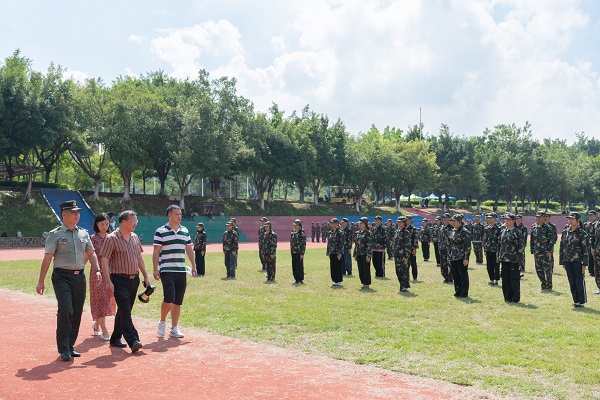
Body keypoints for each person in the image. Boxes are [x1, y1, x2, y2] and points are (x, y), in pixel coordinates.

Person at [36, 200, 100, 361]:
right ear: (63, 214)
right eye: (72, 212)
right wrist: (40, 281)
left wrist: (97, 269)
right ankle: (63, 347)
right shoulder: (55, 234)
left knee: (77, 311)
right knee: (66, 309)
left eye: (77, 212)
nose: (76, 215)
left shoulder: (83, 233)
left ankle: (71, 345)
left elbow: (91, 253)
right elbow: (48, 257)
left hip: (80, 277)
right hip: (61, 277)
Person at [100, 210, 149, 353]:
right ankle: (133, 340)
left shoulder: (134, 237)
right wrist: (108, 281)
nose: (136, 223)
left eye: (136, 221)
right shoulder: (112, 238)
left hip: (134, 279)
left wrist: (145, 276)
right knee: (126, 310)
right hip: (118, 279)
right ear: (124, 222)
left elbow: (139, 258)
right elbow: (104, 260)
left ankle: (115, 338)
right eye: (133, 221)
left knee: (124, 310)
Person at [153, 205, 197, 339]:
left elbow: (189, 249)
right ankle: (162, 322)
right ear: (169, 215)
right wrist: (156, 269)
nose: (179, 216)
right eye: (176, 214)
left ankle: (174, 328)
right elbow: (156, 251)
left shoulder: (185, 230)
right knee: (169, 298)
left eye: (180, 214)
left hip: (181, 270)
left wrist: (193, 265)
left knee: (178, 301)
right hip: (167, 270)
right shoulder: (160, 231)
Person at [89, 213, 116, 341]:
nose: (104, 227)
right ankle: (105, 331)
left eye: (106, 224)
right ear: (96, 224)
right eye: (102, 224)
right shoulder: (92, 239)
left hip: (110, 273)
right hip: (97, 273)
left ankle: (97, 324)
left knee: (107, 300)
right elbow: (88, 256)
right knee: (100, 301)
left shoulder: (111, 238)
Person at [559, 212, 589, 308]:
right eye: (569, 219)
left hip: (578, 260)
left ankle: (581, 301)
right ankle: (575, 300)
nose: (570, 221)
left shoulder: (582, 233)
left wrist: (584, 264)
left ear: (577, 220)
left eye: (572, 219)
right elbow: (562, 247)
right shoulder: (565, 232)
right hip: (567, 260)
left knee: (579, 281)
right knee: (571, 281)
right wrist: (562, 261)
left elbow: (585, 249)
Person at [498, 213, 524, 303]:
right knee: (505, 279)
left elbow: (520, 248)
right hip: (504, 259)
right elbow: (500, 245)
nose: (506, 221)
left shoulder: (517, 232)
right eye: (505, 219)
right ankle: (507, 297)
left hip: (514, 260)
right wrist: (499, 257)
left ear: (513, 221)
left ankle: (515, 298)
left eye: (508, 220)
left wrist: (520, 262)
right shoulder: (503, 231)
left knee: (514, 279)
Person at [447, 214, 472, 298]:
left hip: (461, 256)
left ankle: (464, 293)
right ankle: (458, 291)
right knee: (455, 275)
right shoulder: (452, 231)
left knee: (462, 275)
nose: (453, 223)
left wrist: (466, 258)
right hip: (453, 256)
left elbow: (467, 246)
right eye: (452, 221)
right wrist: (449, 256)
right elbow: (450, 244)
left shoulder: (465, 231)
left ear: (460, 222)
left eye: (455, 221)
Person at [530, 211, 555, 291]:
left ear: (544, 217)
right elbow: (532, 240)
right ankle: (543, 284)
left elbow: (551, 241)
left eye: (539, 217)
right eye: (536, 217)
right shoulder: (534, 227)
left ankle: (549, 285)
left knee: (547, 270)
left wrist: (549, 251)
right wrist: (532, 250)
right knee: (538, 270)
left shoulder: (548, 228)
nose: (538, 218)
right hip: (537, 252)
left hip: (545, 252)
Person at [353, 217, 373, 289]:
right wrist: (355, 254)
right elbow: (356, 244)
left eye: (361, 223)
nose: (360, 225)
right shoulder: (358, 233)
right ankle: (363, 283)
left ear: (365, 224)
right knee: (360, 269)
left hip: (365, 254)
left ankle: (367, 283)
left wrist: (369, 255)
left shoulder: (368, 233)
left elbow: (370, 244)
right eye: (359, 223)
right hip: (359, 253)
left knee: (366, 269)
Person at [392, 216, 412, 292]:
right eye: (398, 222)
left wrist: (406, 257)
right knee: (398, 271)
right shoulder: (397, 231)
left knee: (404, 271)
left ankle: (405, 286)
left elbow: (407, 245)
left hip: (403, 255)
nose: (398, 223)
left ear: (404, 223)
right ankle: (401, 285)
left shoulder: (406, 232)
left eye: (400, 222)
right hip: (397, 255)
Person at [483, 213, 501, 286]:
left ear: (495, 219)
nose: (489, 219)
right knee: (489, 265)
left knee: (496, 265)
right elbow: (485, 239)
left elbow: (500, 240)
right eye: (488, 218)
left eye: (491, 218)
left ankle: (496, 280)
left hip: (496, 250)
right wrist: (484, 249)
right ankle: (491, 280)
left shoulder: (499, 228)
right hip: (488, 249)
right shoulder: (486, 228)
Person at [326, 218, 344, 287]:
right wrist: (328, 252)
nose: (332, 225)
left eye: (333, 223)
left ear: (337, 224)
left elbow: (341, 243)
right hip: (332, 252)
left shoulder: (340, 232)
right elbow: (329, 243)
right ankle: (334, 280)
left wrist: (339, 253)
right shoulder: (330, 232)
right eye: (331, 223)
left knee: (338, 266)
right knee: (333, 266)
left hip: (337, 252)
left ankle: (338, 280)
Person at [438, 213, 453, 284]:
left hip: (449, 249)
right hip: (442, 249)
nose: (444, 219)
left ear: (449, 218)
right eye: (443, 217)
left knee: (451, 264)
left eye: (446, 217)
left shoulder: (451, 228)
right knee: (443, 264)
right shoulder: (441, 227)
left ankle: (450, 278)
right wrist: (439, 248)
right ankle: (446, 277)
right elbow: (439, 239)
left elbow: (452, 240)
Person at [290, 219, 306, 284]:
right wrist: (291, 251)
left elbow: (303, 244)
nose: (295, 226)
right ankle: (296, 278)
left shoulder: (301, 233)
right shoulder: (292, 233)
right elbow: (291, 243)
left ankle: (300, 278)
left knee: (299, 266)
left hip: (299, 252)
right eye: (294, 225)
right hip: (293, 251)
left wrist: (302, 253)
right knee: (294, 265)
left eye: (296, 225)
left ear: (299, 226)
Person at [405, 216, 419, 282]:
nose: (406, 221)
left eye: (407, 220)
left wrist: (415, 248)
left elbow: (415, 239)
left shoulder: (413, 229)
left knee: (413, 263)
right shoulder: (403, 228)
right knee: (405, 263)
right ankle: (406, 276)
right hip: (404, 249)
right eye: (406, 220)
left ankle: (415, 277)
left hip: (411, 248)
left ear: (410, 220)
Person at [584, 210, 597, 277]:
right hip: (587, 243)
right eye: (589, 215)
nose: (590, 216)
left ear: (595, 215)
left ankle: (595, 271)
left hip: (595, 243)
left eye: (591, 215)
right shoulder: (586, 224)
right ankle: (591, 271)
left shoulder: (597, 224)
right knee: (589, 257)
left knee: (595, 257)